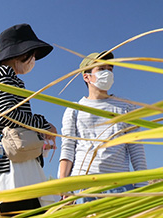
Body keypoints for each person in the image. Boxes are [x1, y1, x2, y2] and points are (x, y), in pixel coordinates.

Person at [0, 23, 58, 215]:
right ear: (20, 53)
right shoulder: (4, 74)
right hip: (12, 169)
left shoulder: (4, 77)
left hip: (10, 167)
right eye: (32, 54)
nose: (33, 60)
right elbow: (9, 114)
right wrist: (44, 124)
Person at [58, 51, 147, 202]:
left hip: (119, 185)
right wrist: (63, 183)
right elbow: (68, 147)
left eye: (110, 69)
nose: (107, 73)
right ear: (86, 76)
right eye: (101, 69)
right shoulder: (74, 109)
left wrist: (142, 185)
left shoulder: (126, 107)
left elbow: (135, 147)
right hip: (82, 184)